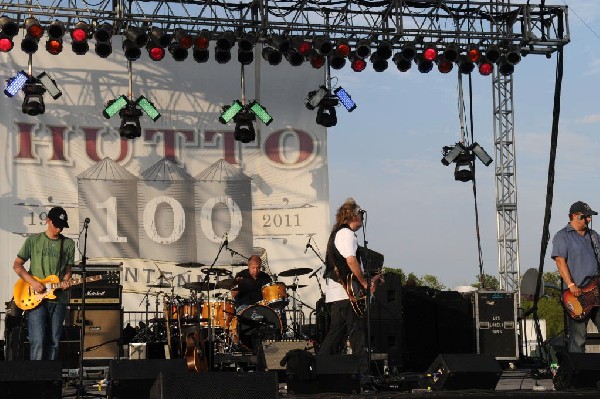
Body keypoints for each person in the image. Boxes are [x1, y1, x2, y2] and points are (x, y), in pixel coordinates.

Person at [319, 198, 381, 378]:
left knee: (336, 334)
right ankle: (362, 376)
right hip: (345, 293)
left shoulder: (337, 233)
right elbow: (351, 261)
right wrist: (364, 283)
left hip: (338, 292)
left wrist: (372, 278)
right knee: (357, 334)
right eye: (360, 214)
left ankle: (319, 368)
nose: (362, 218)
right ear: (354, 215)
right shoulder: (346, 234)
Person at [13, 206, 75, 360]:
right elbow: (17, 265)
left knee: (54, 341)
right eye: (56, 225)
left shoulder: (68, 244)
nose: (59, 229)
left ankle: (51, 380)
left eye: (62, 226)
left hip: (58, 298)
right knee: (38, 341)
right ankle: (37, 379)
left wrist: (66, 281)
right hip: (36, 298)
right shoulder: (33, 240)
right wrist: (33, 282)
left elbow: (68, 269)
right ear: (48, 220)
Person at [551, 201, 600, 353]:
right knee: (578, 338)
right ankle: (578, 374)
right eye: (587, 217)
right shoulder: (562, 236)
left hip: (596, 291)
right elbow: (560, 261)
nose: (590, 220)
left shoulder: (594, 236)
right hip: (577, 295)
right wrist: (571, 285)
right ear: (576, 216)